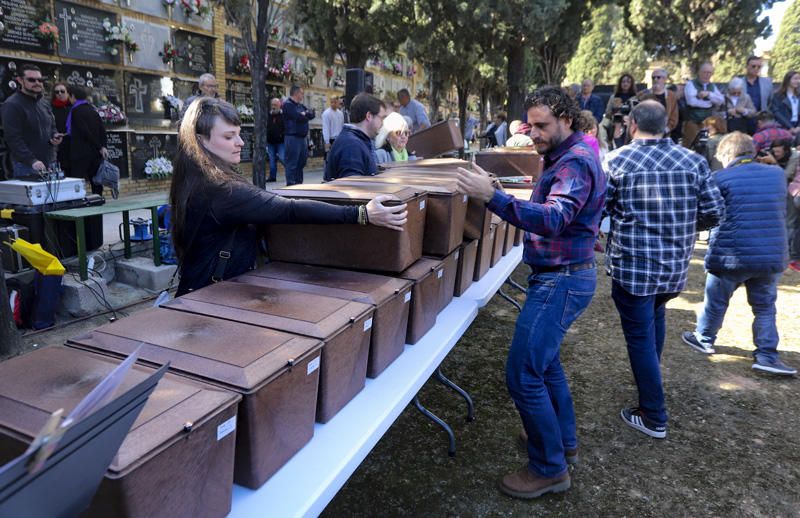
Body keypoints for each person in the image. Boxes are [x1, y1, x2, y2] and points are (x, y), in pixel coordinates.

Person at [456, 86, 606, 499]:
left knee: (523, 375)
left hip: (562, 279)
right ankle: (564, 442)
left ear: (567, 121)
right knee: (546, 366)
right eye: (531, 124)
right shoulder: (565, 155)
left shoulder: (574, 161)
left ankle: (549, 467)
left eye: (542, 126)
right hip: (561, 275)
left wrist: (495, 199)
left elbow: (556, 218)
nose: (533, 133)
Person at [169, 97, 407, 296]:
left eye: (239, 134)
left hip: (200, 291)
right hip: (208, 298)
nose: (240, 143)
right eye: (229, 137)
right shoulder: (220, 190)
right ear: (200, 141)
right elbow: (289, 209)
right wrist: (361, 213)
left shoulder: (195, 178)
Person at [604, 100, 724, 439]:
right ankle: (649, 382)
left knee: (641, 336)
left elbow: (602, 208)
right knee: (654, 318)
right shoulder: (693, 161)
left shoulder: (617, 160)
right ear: (667, 126)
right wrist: (684, 224)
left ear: (631, 125)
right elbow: (715, 212)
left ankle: (654, 415)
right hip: (672, 269)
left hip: (634, 269)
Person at [681, 132, 796, 376]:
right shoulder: (777, 175)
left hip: (731, 254)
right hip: (769, 255)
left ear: (727, 154)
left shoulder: (720, 178)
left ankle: (704, 337)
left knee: (716, 301)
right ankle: (766, 355)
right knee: (765, 307)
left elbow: (707, 213)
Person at [1, 64, 60, 177]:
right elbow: (13, 138)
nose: (37, 83)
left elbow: (52, 126)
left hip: (50, 163)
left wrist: (55, 136)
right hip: (26, 166)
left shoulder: (44, 103)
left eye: (40, 80)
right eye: (31, 80)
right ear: (20, 80)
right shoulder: (12, 105)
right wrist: (32, 161)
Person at [756, 138, 800, 272]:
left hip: (792, 192)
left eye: (779, 152)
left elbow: (785, 175)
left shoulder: (795, 157)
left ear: (786, 150)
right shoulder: (769, 155)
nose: (776, 154)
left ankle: (790, 255)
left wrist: (773, 163)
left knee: (791, 224)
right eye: (774, 151)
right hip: (781, 192)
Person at [324, 93, 386, 180]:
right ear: (369, 116)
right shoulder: (352, 146)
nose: (383, 123)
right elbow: (353, 187)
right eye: (381, 118)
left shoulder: (355, 141)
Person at [66, 85, 107, 196]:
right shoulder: (93, 110)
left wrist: (98, 146)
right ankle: (98, 202)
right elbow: (102, 129)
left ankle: (78, 205)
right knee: (96, 182)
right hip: (95, 153)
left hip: (80, 153)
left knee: (76, 182)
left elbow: (84, 131)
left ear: (73, 96)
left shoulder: (76, 111)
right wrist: (102, 146)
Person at [683, 62, 725, 148]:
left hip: (708, 121)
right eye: (705, 72)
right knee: (689, 145)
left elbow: (721, 100)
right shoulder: (691, 84)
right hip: (693, 120)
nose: (707, 75)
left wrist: (709, 94)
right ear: (699, 72)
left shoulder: (712, 86)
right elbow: (691, 102)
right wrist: (709, 103)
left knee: (712, 140)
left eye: (709, 72)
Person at [282, 85, 315, 186]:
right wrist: (305, 115)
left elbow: (311, 114)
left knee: (301, 162)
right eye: (301, 93)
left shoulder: (300, 106)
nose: (302, 95)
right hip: (292, 138)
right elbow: (298, 117)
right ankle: (291, 185)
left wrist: (305, 114)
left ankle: (299, 184)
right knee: (292, 162)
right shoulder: (288, 105)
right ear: (296, 93)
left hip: (302, 138)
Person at [601, 73, 639, 150]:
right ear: (620, 83)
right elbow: (608, 112)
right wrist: (616, 112)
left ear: (631, 84)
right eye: (623, 81)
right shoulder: (614, 97)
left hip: (630, 125)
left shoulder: (636, 97)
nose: (625, 84)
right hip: (616, 125)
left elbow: (638, 113)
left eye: (628, 82)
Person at [637, 68, 679, 135]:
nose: (655, 80)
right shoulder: (644, 95)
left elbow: (674, 117)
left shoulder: (671, 96)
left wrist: (665, 130)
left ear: (665, 79)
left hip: (665, 134)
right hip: (647, 133)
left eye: (658, 77)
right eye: (653, 78)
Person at [768, 70, 800, 144]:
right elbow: (777, 113)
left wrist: (798, 127)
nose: (798, 81)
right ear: (788, 80)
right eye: (795, 79)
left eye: (799, 79)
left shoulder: (798, 96)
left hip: (798, 127)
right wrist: (790, 127)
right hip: (783, 126)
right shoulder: (778, 96)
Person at [51, 81, 71, 174]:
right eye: (57, 92)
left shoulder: (73, 107)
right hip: (57, 146)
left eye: (62, 91)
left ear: (67, 92)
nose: (59, 94)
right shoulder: (50, 108)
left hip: (72, 146)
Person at [266, 98, 285, 182]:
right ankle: (272, 177)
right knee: (272, 160)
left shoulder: (283, 115)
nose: (273, 107)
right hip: (270, 142)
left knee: (282, 157)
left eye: (275, 105)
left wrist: (282, 135)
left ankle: (291, 173)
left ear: (279, 105)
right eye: (272, 105)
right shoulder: (268, 115)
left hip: (281, 142)